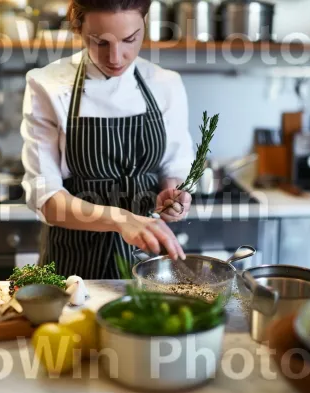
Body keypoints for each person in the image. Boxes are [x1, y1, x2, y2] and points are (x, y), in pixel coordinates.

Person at [20, 0, 195, 279]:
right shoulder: (47, 85)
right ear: (78, 29)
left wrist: (173, 194)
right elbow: (49, 202)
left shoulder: (165, 83)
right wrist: (120, 219)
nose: (116, 57)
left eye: (130, 40)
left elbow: (174, 168)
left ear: (144, 25)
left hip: (146, 257)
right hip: (73, 258)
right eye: (100, 42)